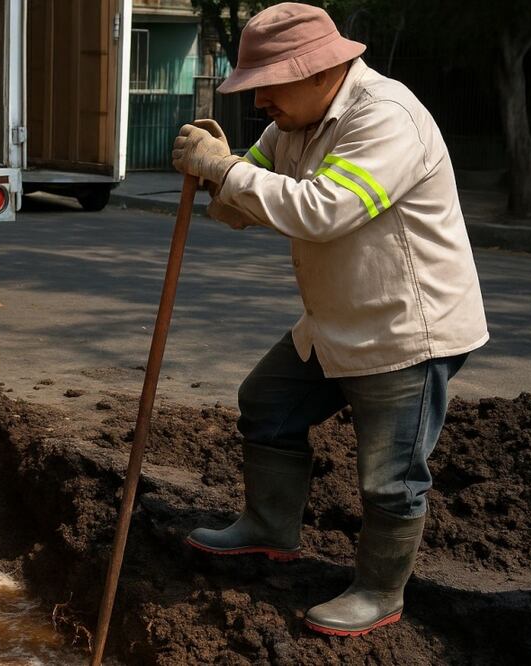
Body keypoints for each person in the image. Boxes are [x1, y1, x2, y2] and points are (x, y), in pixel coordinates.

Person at [171, 3, 487, 637]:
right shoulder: (293, 123)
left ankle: (379, 590)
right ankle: (269, 526)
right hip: (335, 318)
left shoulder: (386, 119)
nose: (260, 101)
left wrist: (225, 172)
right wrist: (217, 177)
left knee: (390, 474)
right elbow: (248, 201)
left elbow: (322, 210)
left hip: (404, 330)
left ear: (319, 71)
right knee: (268, 402)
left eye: (267, 85)